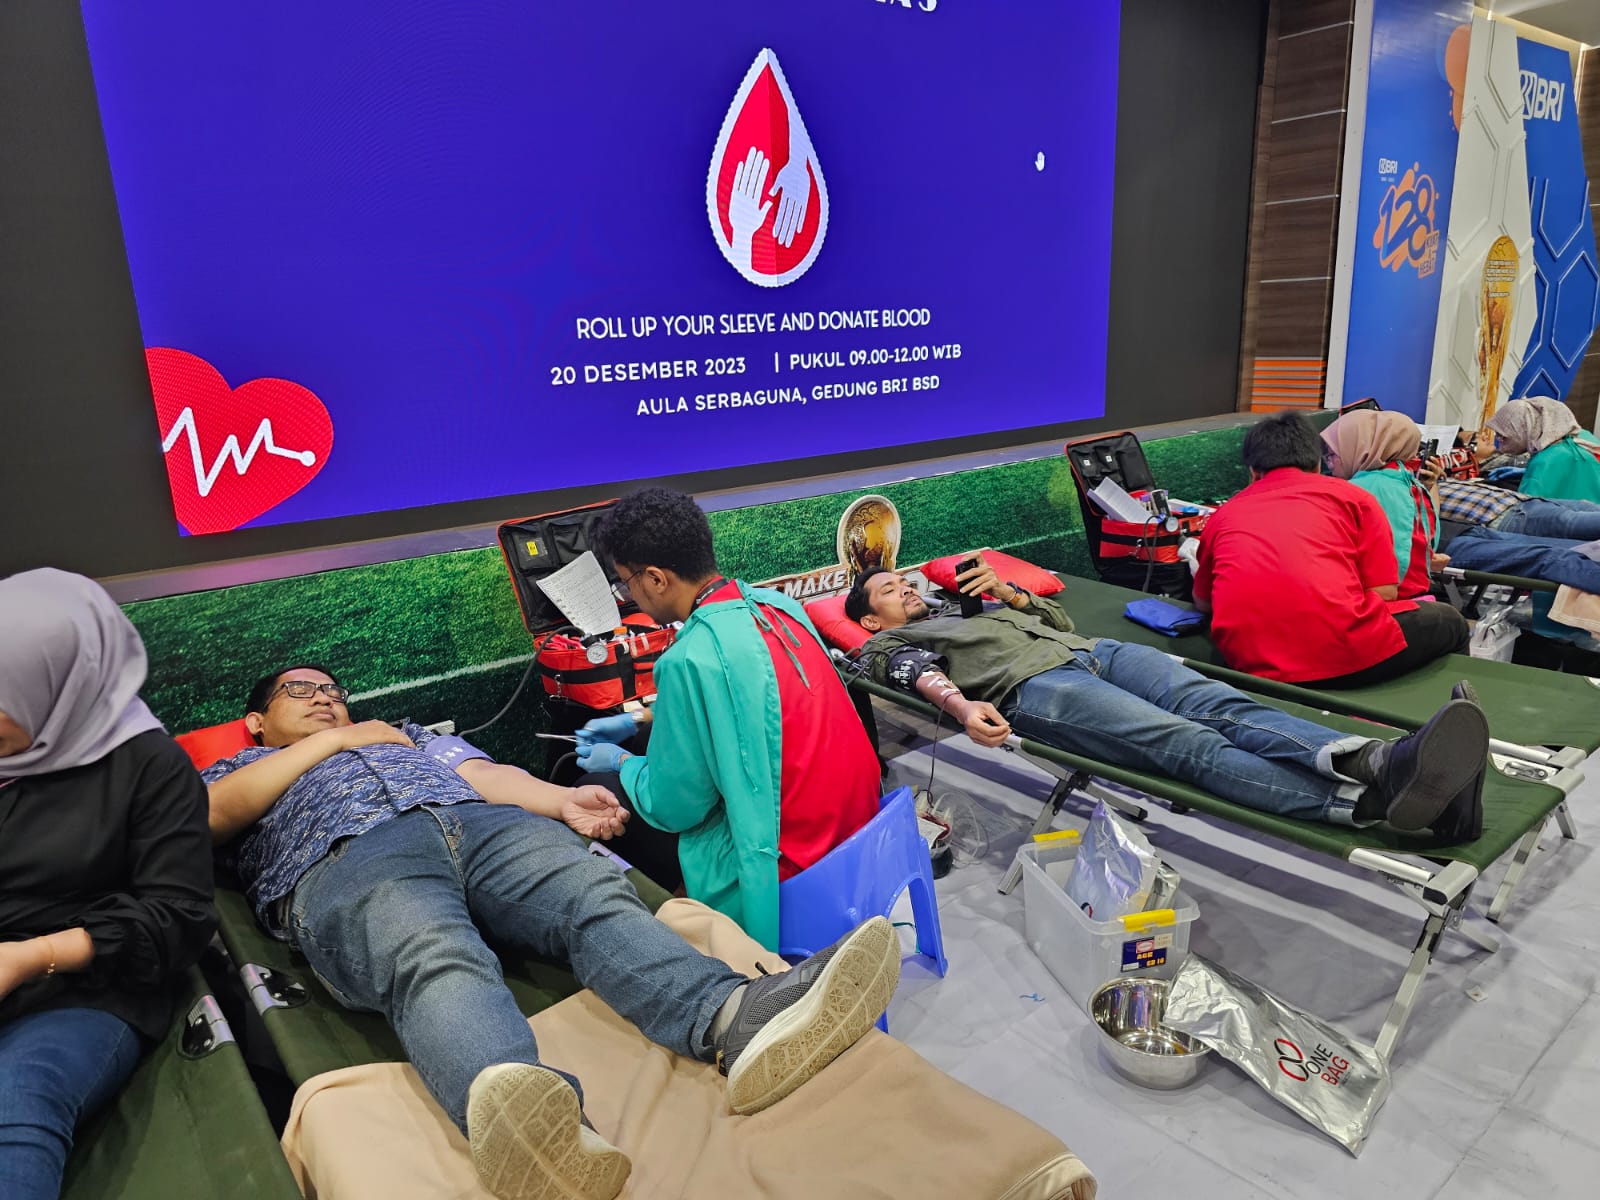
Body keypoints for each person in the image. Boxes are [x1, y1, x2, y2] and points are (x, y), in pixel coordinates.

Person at [203, 664, 898, 1200]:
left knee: (590, 892)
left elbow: (481, 772)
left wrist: (561, 799)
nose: (326, 699)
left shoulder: (406, 735)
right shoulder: (234, 767)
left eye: (334, 692)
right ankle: (541, 1134)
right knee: (431, 953)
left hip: (478, 823)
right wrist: (337, 741)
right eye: (301, 690)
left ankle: (734, 1018)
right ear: (256, 722)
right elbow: (209, 816)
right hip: (349, 855)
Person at [843, 556, 1488, 844]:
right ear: (870, 620)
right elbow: (909, 670)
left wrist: (1009, 594)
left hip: (1096, 652)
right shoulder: (882, 645)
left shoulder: (969, 606)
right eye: (889, 592)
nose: (906, 590)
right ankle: (1367, 803)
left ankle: (1378, 761)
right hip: (1039, 690)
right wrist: (960, 708)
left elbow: (1060, 622)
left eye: (905, 581)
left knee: (1222, 704)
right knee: (1188, 744)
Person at [577, 487, 881, 951]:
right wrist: (643, 718)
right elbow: (758, 697)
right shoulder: (778, 607)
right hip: (861, 831)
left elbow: (675, 806)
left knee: (608, 794)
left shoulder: (687, 658)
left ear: (655, 579)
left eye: (626, 583)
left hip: (790, 864)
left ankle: (697, 945)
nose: (629, 595)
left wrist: (621, 762)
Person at [1, 569, 215, 1200]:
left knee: (17, 1095)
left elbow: (178, 916)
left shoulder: (149, 766)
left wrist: (29, 957)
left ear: (58, 684)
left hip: (80, 990)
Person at [1193, 412, 1468, 686]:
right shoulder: (1355, 498)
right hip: (1342, 654)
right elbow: (1385, 592)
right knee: (1452, 621)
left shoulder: (1222, 516)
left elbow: (1204, 602)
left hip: (1250, 663)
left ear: (1253, 472)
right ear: (1316, 464)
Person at [1321, 409, 1443, 601]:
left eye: (1333, 455)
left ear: (1361, 448)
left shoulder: (1358, 490)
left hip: (1375, 602)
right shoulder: (1412, 483)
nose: (1329, 464)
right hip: (1415, 596)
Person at [1487, 397, 1600, 505]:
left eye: (1503, 435)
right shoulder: (1581, 436)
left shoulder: (1545, 462)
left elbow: (1526, 511)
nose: (1499, 439)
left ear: (1527, 428)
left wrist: (1535, 476)